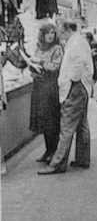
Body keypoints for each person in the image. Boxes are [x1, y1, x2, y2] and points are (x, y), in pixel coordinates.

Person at [38, 20, 94, 175]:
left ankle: (57, 163)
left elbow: (77, 66)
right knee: (82, 124)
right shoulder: (79, 41)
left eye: (60, 32)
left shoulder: (75, 43)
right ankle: (83, 158)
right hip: (81, 87)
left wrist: (70, 84)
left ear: (68, 30)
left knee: (67, 126)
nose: (59, 36)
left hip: (75, 87)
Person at [25, 23, 63, 164]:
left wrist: (40, 62)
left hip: (51, 88)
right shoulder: (38, 47)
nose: (50, 36)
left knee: (52, 120)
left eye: (52, 33)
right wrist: (32, 67)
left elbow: (55, 67)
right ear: (43, 34)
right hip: (39, 87)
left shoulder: (57, 48)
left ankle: (54, 150)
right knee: (43, 121)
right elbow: (34, 65)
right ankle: (48, 150)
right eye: (48, 33)